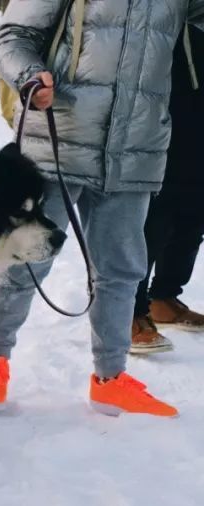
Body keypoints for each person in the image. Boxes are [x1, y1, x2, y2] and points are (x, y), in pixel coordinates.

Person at [0, 1, 204, 417]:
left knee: (122, 268)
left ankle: (110, 378)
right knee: (27, 263)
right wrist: (29, 77)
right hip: (59, 139)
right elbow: (13, 37)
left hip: (137, 145)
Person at [131, 25, 204, 354]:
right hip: (158, 89)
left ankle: (164, 296)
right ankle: (128, 311)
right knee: (156, 202)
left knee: (196, 200)